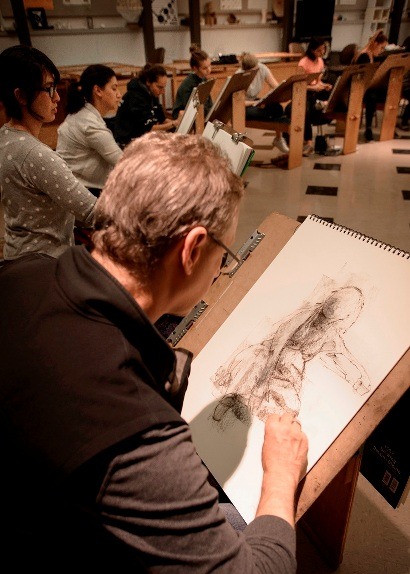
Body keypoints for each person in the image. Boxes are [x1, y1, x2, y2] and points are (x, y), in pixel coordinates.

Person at [0, 131, 308, 571]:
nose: (221, 270)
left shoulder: (22, 273)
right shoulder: (136, 430)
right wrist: (280, 475)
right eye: (224, 254)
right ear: (193, 249)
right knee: (247, 518)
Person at [0, 45, 96, 260]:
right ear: (21, 96)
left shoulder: (5, 137)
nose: (57, 98)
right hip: (46, 262)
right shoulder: (36, 155)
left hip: (17, 256)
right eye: (49, 88)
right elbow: (92, 212)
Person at [56, 64, 123, 197]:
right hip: (83, 193)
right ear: (98, 90)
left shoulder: (83, 114)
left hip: (76, 188)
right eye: (114, 88)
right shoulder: (89, 123)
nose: (119, 94)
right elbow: (122, 161)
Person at [114, 63, 177, 147]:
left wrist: (179, 123)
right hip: (127, 142)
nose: (162, 91)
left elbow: (162, 119)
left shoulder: (151, 93)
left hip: (141, 138)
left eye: (164, 87)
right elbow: (149, 129)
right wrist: (174, 123)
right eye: (159, 87)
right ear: (148, 82)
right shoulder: (135, 97)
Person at [239, 52, 289, 154]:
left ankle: (278, 138)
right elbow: (239, 102)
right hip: (243, 106)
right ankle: (279, 137)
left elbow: (276, 87)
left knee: (278, 108)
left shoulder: (261, 68)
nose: (256, 71)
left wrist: (270, 99)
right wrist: (256, 103)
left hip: (255, 102)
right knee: (266, 112)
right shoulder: (239, 75)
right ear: (246, 70)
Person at [295, 37, 333, 156]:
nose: (322, 53)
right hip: (305, 92)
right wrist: (314, 88)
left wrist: (324, 85)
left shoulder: (320, 61)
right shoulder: (303, 63)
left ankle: (322, 106)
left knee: (333, 93)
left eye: (323, 50)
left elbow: (318, 81)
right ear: (312, 50)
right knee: (305, 111)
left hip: (315, 90)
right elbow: (298, 85)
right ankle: (309, 143)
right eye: (319, 50)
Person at [353, 29, 388, 141]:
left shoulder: (371, 55)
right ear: (375, 43)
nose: (382, 51)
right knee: (372, 97)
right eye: (381, 47)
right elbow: (362, 78)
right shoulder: (364, 56)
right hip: (357, 88)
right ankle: (368, 128)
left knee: (386, 92)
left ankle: (387, 128)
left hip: (365, 87)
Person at [172, 46, 213, 120]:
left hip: (200, 115)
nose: (209, 70)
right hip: (184, 119)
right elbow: (190, 110)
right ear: (195, 68)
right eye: (204, 68)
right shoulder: (188, 85)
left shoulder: (204, 78)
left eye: (210, 65)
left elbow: (209, 103)